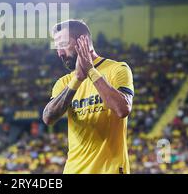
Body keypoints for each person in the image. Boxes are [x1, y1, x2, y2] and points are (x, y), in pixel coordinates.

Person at [42, 19, 134, 174]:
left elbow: (122, 109)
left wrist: (90, 71)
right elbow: (48, 118)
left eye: (63, 45)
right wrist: (77, 79)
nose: (59, 53)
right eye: (57, 48)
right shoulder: (64, 82)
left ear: (82, 41)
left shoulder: (117, 69)